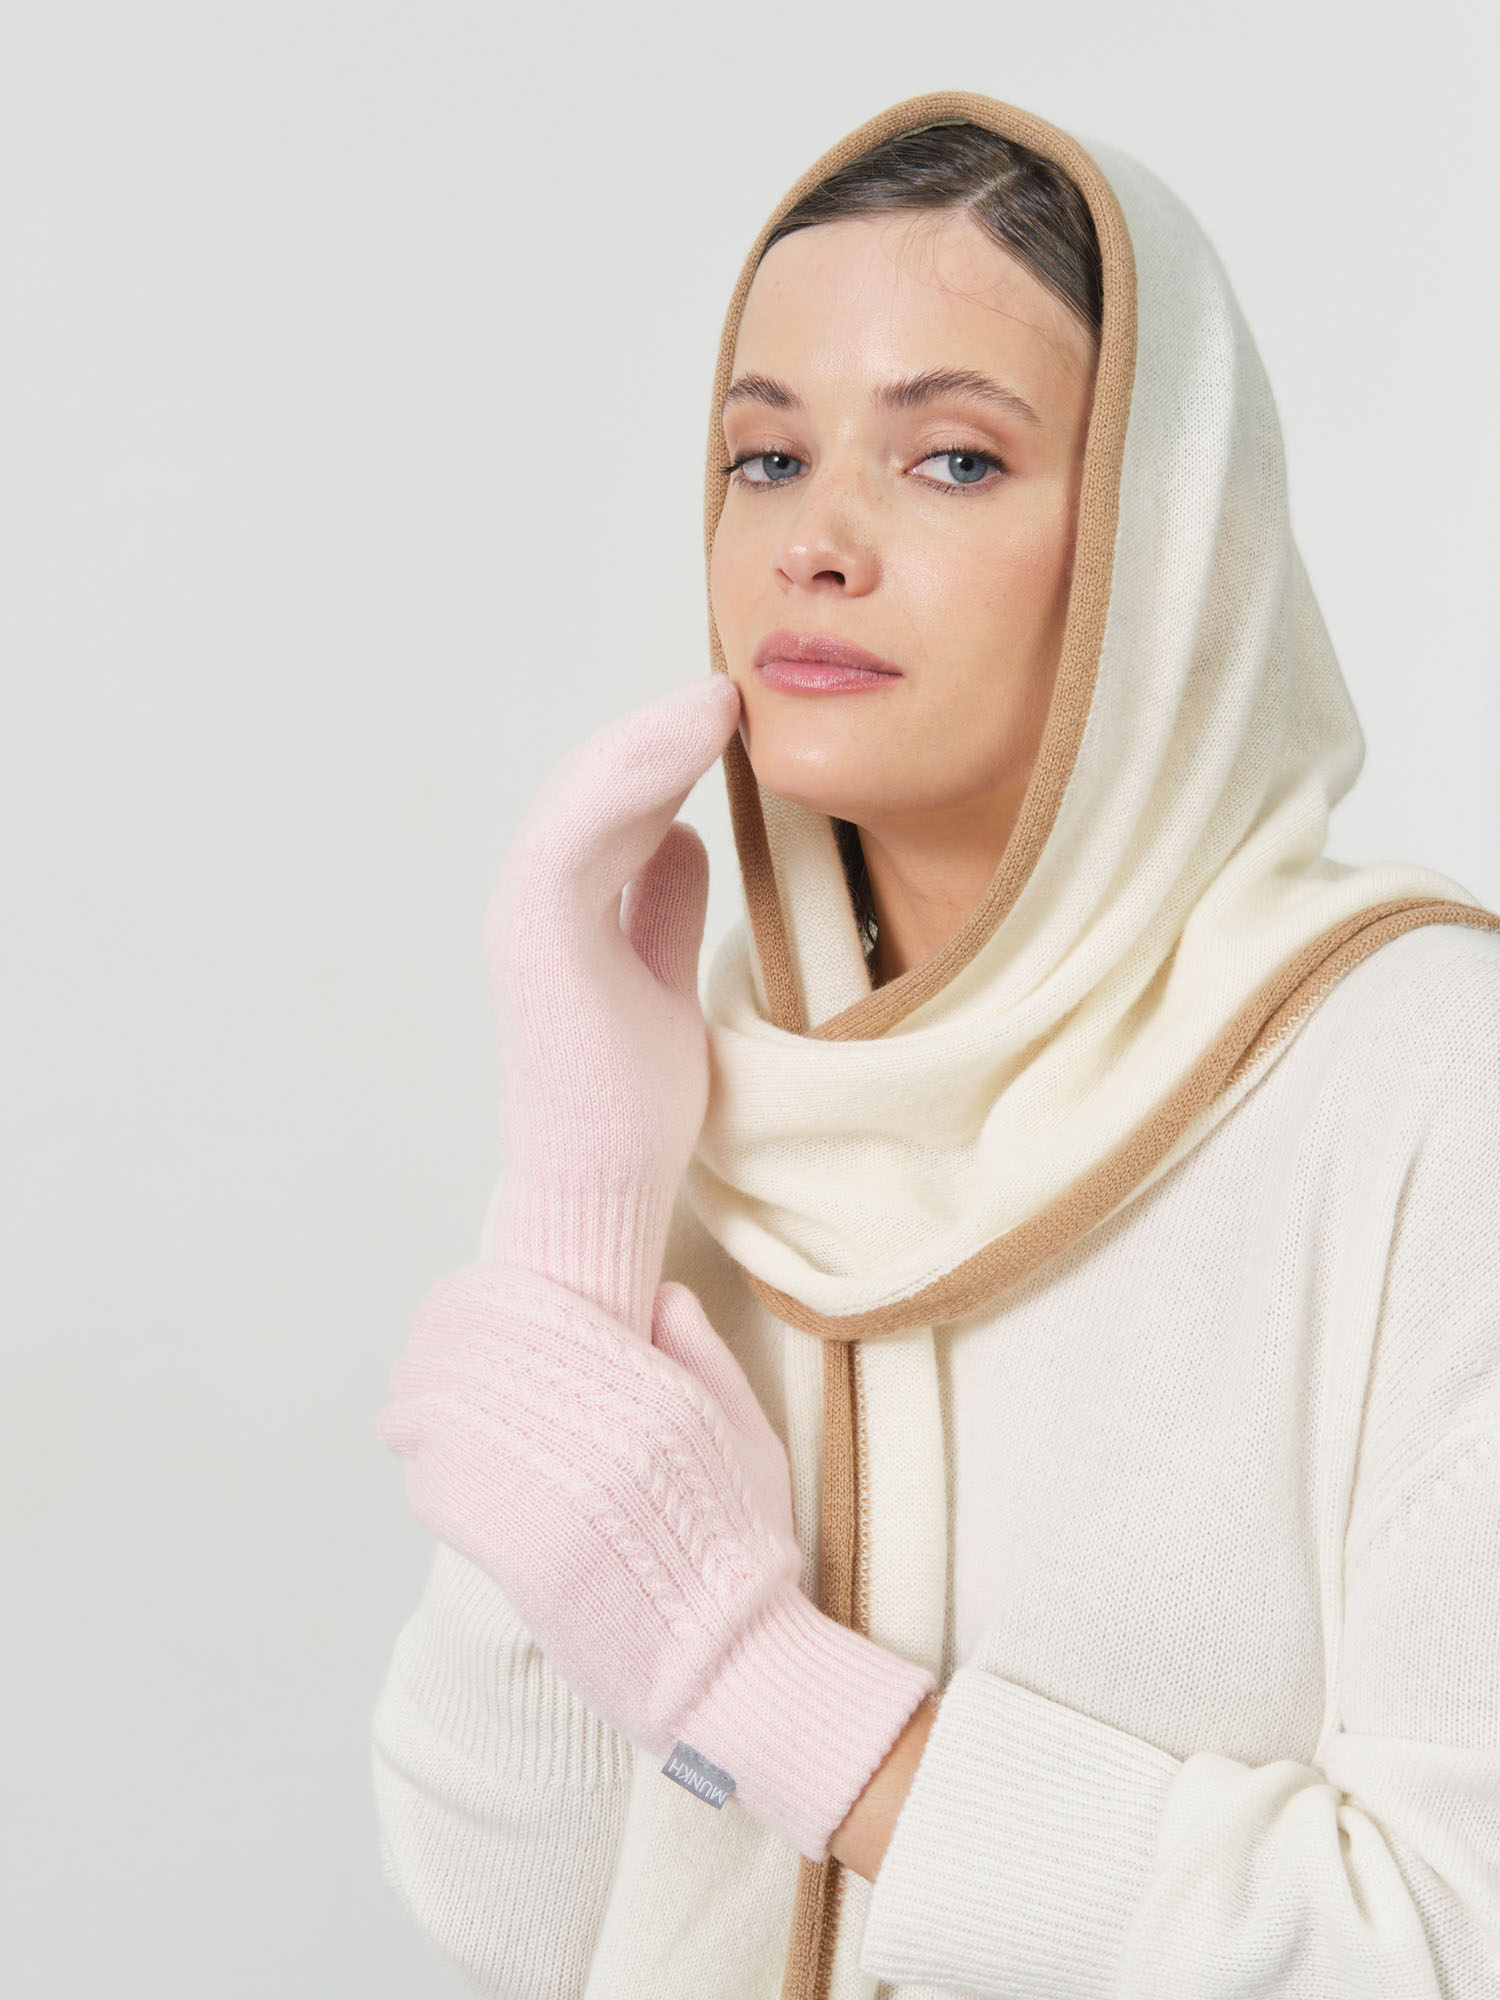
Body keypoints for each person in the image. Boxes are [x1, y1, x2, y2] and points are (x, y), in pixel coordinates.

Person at [370, 90, 1500, 1999]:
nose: (813, 543)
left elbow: (1451, 1940)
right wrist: (577, 1221)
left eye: (954, 459)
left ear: (1158, 536)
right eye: (764, 458)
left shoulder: (1422, 1083)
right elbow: (511, 1920)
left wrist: (763, 1689)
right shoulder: (698, 1101)